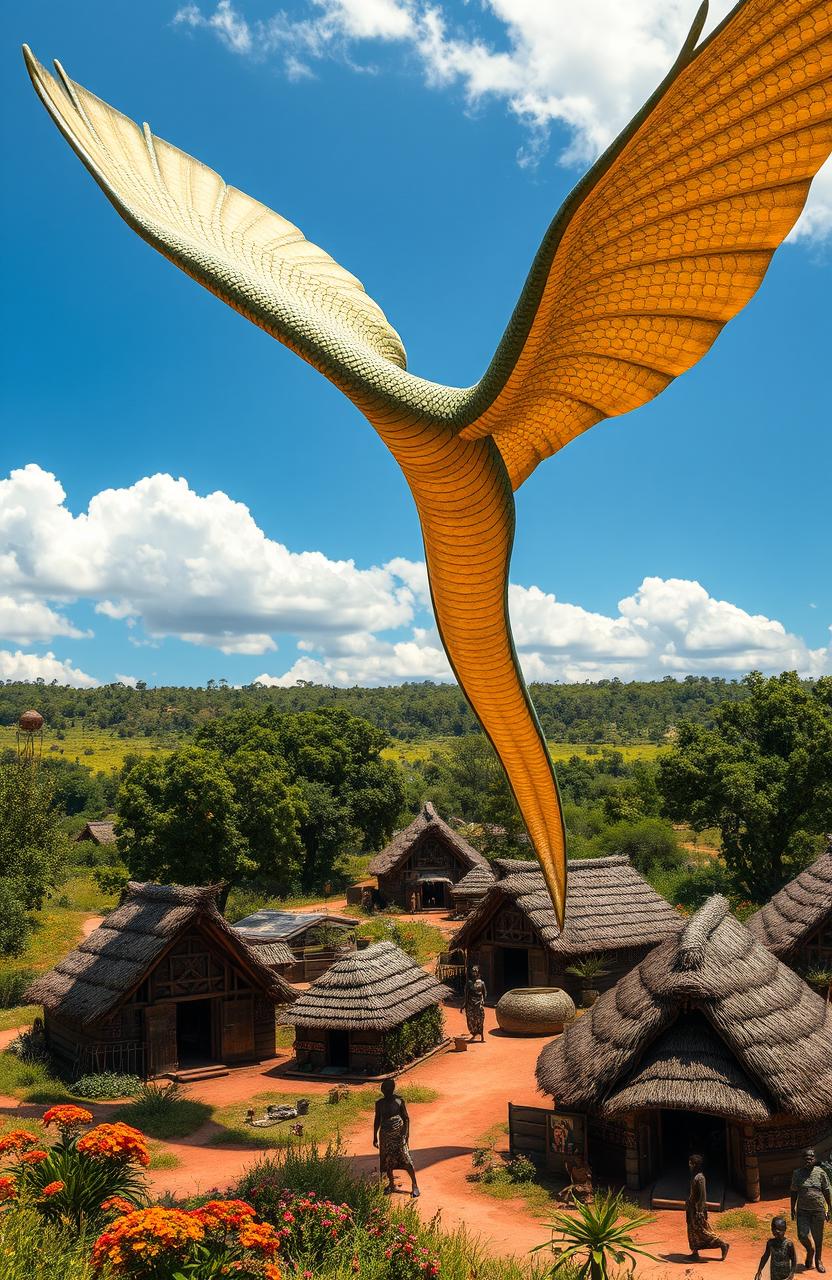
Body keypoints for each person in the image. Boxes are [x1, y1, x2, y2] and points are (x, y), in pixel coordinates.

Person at [373, 1077, 420, 1198]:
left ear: (392, 1089)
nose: (386, 1091)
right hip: (385, 1136)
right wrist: (375, 1137)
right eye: (384, 1089)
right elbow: (377, 1119)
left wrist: (405, 1133)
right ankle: (391, 1183)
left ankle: (415, 1185)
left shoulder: (399, 1102)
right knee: (387, 1160)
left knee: (406, 1159)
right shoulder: (380, 1104)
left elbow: (406, 1118)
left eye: (388, 1089)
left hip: (398, 1136)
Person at [791, 1148, 832, 1273]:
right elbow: (793, 1191)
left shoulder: (821, 1173)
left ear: (814, 1159)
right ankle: (810, 1250)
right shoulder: (797, 1173)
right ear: (802, 1160)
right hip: (803, 1211)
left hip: (818, 1211)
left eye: (811, 1158)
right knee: (802, 1235)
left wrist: (830, 1208)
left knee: (818, 1237)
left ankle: (818, 1260)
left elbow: (827, 1190)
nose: (808, 1160)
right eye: (806, 1158)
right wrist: (792, 1207)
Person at [686, 1154, 729, 1262]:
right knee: (692, 1230)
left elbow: (702, 1196)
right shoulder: (694, 1176)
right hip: (691, 1209)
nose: (689, 1165)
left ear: (694, 1164)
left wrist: (699, 1211)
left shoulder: (700, 1178)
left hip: (697, 1210)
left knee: (702, 1231)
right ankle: (695, 1252)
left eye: (690, 1163)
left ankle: (722, 1244)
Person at [755, 1216, 797, 1280]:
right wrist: (759, 1271)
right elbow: (765, 1256)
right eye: (774, 1229)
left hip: (785, 1276)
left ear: (785, 1229)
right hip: (774, 1275)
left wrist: (791, 1274)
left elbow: (794, 1260)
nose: (776, 1232)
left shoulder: (789, 1244)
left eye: (779, 1230)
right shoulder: (770, 1243)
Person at [464, 964, 487, 1041]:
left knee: (480, 1019)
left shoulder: (482, 983)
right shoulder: (469, 983)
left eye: (475, 971)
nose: (474, 972)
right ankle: (474, 1033)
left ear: (478, 972)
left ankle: (481, 1035)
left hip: (479, 1002)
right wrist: (464, 1004)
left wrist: (483, 1000)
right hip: (470, 1003)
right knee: (471, 1019)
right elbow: (466, 993)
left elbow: (485, 993)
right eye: (472, 971)